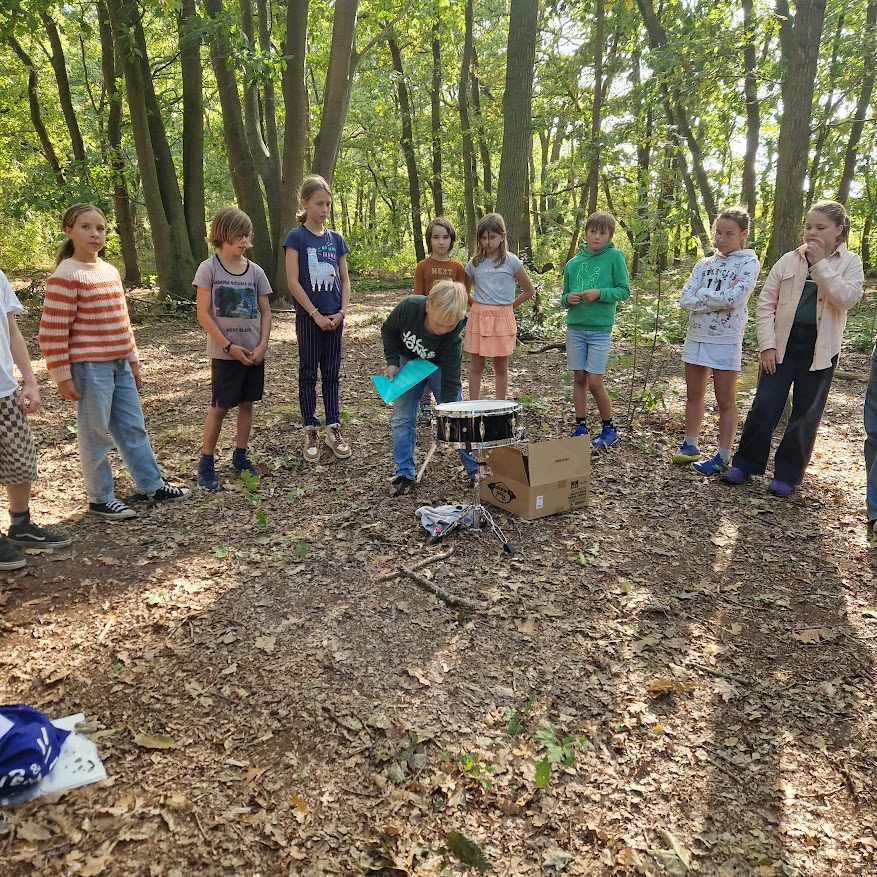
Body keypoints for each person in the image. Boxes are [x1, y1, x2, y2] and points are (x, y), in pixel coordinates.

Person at [38, 203, 190, 520]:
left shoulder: (109, 271)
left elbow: (123, 322)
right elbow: (52, 331)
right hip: (89, 367)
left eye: (101, 228)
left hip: (119, 364)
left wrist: (133, 362)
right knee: (95, 434)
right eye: (86, 227)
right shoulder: (66, 274)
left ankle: (151, 485)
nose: (95, 234)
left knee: (133, 427)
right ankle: (100, 497)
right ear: (69, 231)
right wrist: (61, 376)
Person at [722, 200, 864, 496]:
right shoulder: (788, 260)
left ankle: (787, 474)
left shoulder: (850, 263)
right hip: (782, 343)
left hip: (821, 347)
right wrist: (767, 346)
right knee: (765, 404)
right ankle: (745, 464)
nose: (812, 233)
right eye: (808, 227)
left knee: (806, 412)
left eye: (821, 228)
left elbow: (846, 299)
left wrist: (821, 264)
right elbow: (765, 305)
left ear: (838, 231)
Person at [672, 207, 760, 474]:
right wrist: (714, 299)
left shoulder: (748, 263)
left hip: (725, 338)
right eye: (718, 233)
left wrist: (704, 295)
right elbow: (685, 298)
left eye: (729, 234)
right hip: (696, 335)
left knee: (725, 399)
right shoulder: (704, 264)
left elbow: (735, 299)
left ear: (743, 234)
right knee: (693, 394)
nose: (721, 239)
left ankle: (722, 455)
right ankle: (690, 445)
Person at [194, 207, 272, 491]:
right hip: (224, 354)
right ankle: (206, 461)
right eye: (238, 235)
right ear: (222, 234)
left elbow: (265, 312)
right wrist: (227, 346)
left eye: (247, 235)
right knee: (220, 407)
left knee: (247, 403)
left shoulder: (256, 272)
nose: (244, 241)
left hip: (253, 353)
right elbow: (203, 314)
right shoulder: (209, 269)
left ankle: (240, 455)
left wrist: (262, 345)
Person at [0, 269, 71, 570]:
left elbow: (12, 332)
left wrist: (30, 380)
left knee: (21, 460)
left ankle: (21, 525)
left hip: (5, 390)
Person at [381, 279, 476, 497]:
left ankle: (476, 472)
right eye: (438, 324)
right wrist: (392, 360)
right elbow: (388, 330)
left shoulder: (453, 336)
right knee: (402, 417)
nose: (442, 331)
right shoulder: (408, 308)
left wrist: (449, 411)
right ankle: (404, 473)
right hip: (407, 361)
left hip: (438, 366)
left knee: (458, 416)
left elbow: (451, 380)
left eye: (449, 326)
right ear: (427, 307)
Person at [284, 174, 352, 463]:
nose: (324, 209)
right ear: (305, 203)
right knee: (309, 373)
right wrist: (314, 314)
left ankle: (333, 428)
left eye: (328, 204)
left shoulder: (336, 239)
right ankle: (311, 427)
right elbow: (293, 281)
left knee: (332, 373)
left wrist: (341, 312)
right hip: (309, 318)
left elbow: (345, 280)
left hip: (335, 318)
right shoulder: (296, 237)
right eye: (319, 203)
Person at [561, 211, 630, 449]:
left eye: (602, 233)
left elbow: (624, 291)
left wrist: (600, 293)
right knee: (579, 378)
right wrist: (567, 298)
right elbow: (563, 297)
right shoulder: (573, 263)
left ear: (610, 235)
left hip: (600, 329)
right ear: (586, 233)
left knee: (595, 382)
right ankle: (580, 425)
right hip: (575, 328)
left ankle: (609, 427)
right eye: (593, 232)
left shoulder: (614, 257)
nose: (596, 237)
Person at [464, 212, 535, 400]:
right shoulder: (474, 264)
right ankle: (473, 405)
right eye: (484, 237)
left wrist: (510, 306)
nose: (488, 242)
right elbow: (464, 291)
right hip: (479, 317)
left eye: (493, 237)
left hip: (503, 318)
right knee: (476, 365)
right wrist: (476, 306)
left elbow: (529, 290)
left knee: (501, 366)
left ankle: (500, 405)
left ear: (502, 236)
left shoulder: (511, 261)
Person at [413, 218, 466, 422]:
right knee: (424, 362)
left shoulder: (457, 267)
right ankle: (424, 404)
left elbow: (462, 297)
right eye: (436, 237)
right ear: (429, 240)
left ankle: (451, 408)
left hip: (449, 327)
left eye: (445, 237)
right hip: (427, 324)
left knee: (446, 366)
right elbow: (417, 296)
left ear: (451, 240)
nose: (441, 242)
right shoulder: (423, 266)